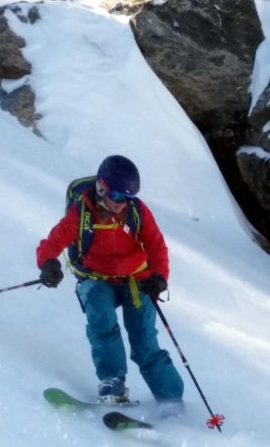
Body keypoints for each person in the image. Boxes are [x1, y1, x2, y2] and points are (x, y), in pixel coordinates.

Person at [35, 155, 184, 410]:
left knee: (144, 341)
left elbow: (156, 245)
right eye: (117, 197)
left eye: (127, 198)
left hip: (137, 280)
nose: (121, 204)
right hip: (97, 279)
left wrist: (159, 277)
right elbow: (52, 243)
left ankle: (171, 399)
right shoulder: (81, 212)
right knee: (101, 322)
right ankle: (112, 383)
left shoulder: (136, 211)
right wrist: (48, 264)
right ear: (102, 188)